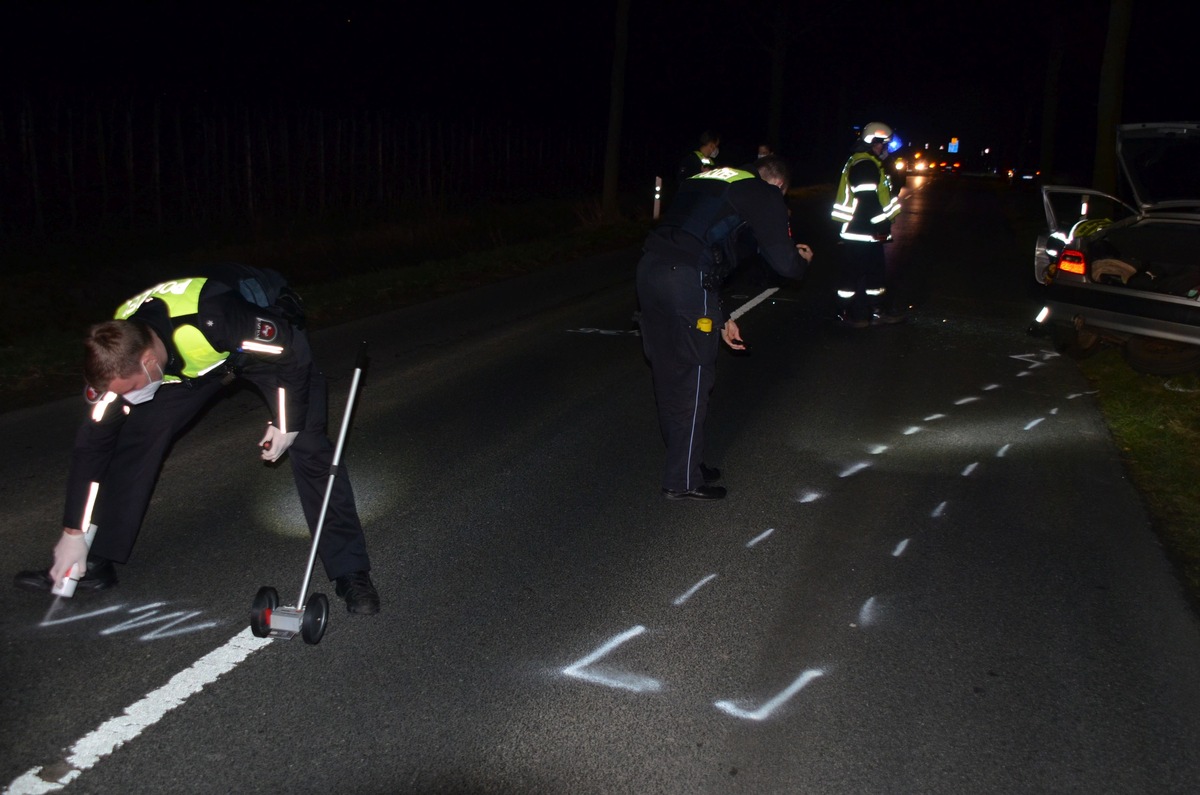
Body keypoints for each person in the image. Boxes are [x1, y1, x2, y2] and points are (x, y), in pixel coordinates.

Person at [13, 263, 381, 614]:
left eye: (130, 390)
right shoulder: (114, 358)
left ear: (148, 363)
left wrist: (287, 422)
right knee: (135, 441)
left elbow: (291, 358)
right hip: (192, 365)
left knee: (309, 447)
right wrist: (73, 530)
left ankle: (350, 571)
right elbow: (90, 448)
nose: (123, 399)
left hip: (262, 347)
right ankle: (96, 561)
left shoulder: (217, 315)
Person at [636, 155, 814, 501]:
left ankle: (686, 462)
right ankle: (683, 479)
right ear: (777, 184)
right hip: (685, 280)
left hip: (649, 271)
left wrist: (721, 317)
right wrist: (802, 261)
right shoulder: (763, 192)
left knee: (669, 373)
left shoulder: (711, 180)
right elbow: (784, 261)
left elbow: (702, 247)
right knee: (694, 377)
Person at [830, 121, 904, 328]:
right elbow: (868, 200)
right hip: (858, 230)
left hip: (867, 231)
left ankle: (876, 312)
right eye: (882, 144)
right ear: (872, 143)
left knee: (875, 273)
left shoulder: (869, 163)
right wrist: (882, 225)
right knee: (851, 276)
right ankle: (844, 314)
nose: (884, 149)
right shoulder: (863, 165)